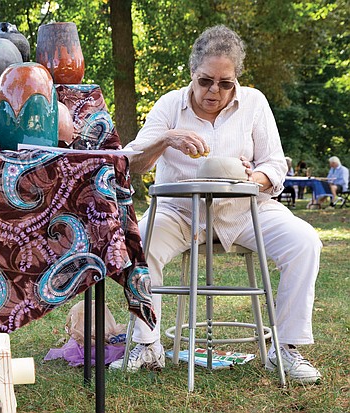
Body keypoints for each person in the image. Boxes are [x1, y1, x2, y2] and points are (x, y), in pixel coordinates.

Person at [114, 25, 323, 384]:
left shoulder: (254, 102)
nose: (214, 91)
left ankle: (285, 348)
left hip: (245, 211)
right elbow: (130, 162)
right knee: (141, 240)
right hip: (179, 212)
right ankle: (148, 344)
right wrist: (166, 139)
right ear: (192, 74)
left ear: (236, 79)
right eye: (206, 80)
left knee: (304, 242)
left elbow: (274, 164)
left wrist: (252, 178)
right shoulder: (169, 105)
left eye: (225, 83)